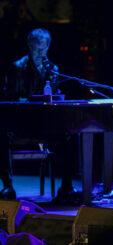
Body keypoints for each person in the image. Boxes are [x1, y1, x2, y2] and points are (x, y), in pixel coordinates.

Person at [0, 28, 76, 203]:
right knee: (2, 135)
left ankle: (66, 187)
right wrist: (29, 100)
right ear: (29, 46)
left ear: (48, 47)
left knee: (70, 136)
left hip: (46, 124)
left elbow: (55, 96)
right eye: (36, 49)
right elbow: (11, 97)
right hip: (22, 123)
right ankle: (7, 185)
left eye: (43, 49)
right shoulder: (17, 67)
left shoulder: (53, 69)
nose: (40, 53)